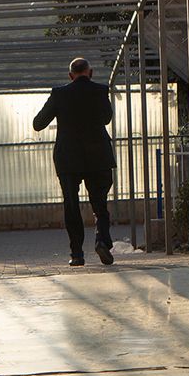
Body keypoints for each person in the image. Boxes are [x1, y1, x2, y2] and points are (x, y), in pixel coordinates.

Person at [33, 57, 116, 266]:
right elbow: (107, 118)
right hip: (98, 156)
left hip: (68, 158)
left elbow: (38, 124)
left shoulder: (59, 94)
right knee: (100, 204)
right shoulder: (100, 91)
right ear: (91, 73)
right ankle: (102, 241)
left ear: (70, 76)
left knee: (71, 205)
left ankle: (77, 254)